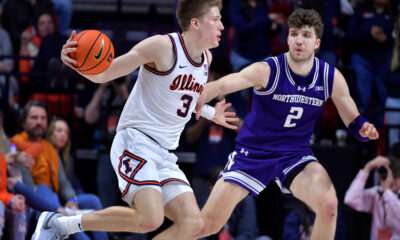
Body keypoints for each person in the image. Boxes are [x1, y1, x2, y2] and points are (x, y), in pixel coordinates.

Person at [33, 1, 239, 239]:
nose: (222, 26)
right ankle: (59, 224)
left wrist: (212, 114)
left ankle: (60, 224)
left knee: (192, 223)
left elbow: (183, 97)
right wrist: (78, 64)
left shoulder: (207, 59)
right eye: (215, 20)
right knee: (149, 219)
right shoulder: (162, 46)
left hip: (165, 153)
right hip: (136, 141)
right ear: (195, 23)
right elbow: (106, 72)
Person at [194, 9, 379, 240]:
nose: (299, 40)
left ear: (317, 43)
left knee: (329, 204)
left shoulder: (330, 77)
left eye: (306, 35)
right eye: (293, 34)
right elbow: (223, 85)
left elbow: (352, 118)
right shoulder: (268, 70)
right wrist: (199, 94)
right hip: (254, 154)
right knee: (206, 226)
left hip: (295, 156)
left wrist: (363, 128)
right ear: (287, 38)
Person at [344, 149, 400, 240]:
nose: (391, 181)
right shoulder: (377, 193)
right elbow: (350, 199)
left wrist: (387, 192)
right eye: (389, 176)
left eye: (396, 177)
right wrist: (367, 168)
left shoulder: (385, 192)